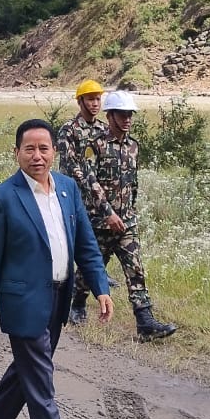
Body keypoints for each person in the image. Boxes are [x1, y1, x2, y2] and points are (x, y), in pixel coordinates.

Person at [0, 119, 115, 419]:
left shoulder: (68, 188)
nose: (37, 156)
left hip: (58, 299)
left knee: (28, 371)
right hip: (23, 304)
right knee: (41, 385)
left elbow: (86, 244)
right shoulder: (1, 198)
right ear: (16, 153)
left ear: (54, 151)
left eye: (43, 148)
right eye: (29, 149)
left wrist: (101, 288)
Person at [76, 91, 176, 340]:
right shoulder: (94, 145)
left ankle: (145, 322)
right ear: (110, 116)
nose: (127, 119)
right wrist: (108, 213)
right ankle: (76, 304)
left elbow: (133, 183)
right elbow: (90, 183)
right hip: (100, 223)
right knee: (90, 270)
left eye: (130, 114)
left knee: (135, 270)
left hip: (126, 224)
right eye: (122, 115)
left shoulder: (133, 146)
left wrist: (130, 212)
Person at [56, 79, 113, 324]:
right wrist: (91, 187)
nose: (95, 103)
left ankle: (95, 277)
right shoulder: (68, 129)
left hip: (97, 197)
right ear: (80, 102)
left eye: (98, 99)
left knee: (95, 242)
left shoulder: (103, 129)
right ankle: (70, 290)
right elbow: (71, 165)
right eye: (90, 99)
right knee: (71, 240)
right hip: (72, 194)